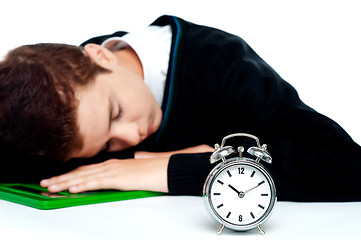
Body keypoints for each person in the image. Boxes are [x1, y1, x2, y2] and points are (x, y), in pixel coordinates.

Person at [0, 15, 360, 202]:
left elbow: (343, 164)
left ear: (100, 54)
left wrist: (177, 169)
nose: (131, 137)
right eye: (107, 147)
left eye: (116, 112)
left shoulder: (220, 64)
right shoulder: (50, 112)